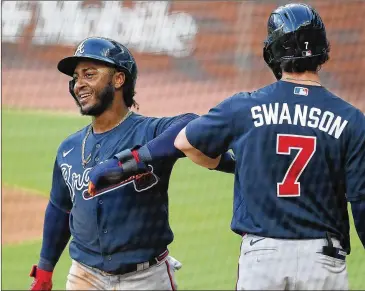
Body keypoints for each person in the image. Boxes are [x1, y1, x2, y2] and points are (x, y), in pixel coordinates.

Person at [173, 3, 365, 290]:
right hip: (323, 258)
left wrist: (228, 164)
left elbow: (184, 142)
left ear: (273, 50)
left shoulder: (244, 106)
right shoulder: (352, 119)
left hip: (263, 258)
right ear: (323, 50)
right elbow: (360, 200)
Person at [29, 37, 235, 291]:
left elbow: (190, 123)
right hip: (84, 276)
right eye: (75, 77)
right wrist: (45, 269)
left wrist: (131, 162)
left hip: (146, 279)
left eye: (89, 74)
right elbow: (60, 209)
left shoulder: (149, 132)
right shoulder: (69, 148)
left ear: (118, 79)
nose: (78, 84)